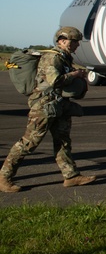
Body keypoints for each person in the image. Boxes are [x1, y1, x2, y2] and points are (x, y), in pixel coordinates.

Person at [1, 26, 96, 193]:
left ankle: (71, 176)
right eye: (74, 41)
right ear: (62, 41)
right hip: (44, 107)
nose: (77, 45)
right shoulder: (52, 58)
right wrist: (75, 75)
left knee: (63, 141)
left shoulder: (64, 58)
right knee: (29, 143)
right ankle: (4, 176)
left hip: (59, 105)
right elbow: (55, 80)